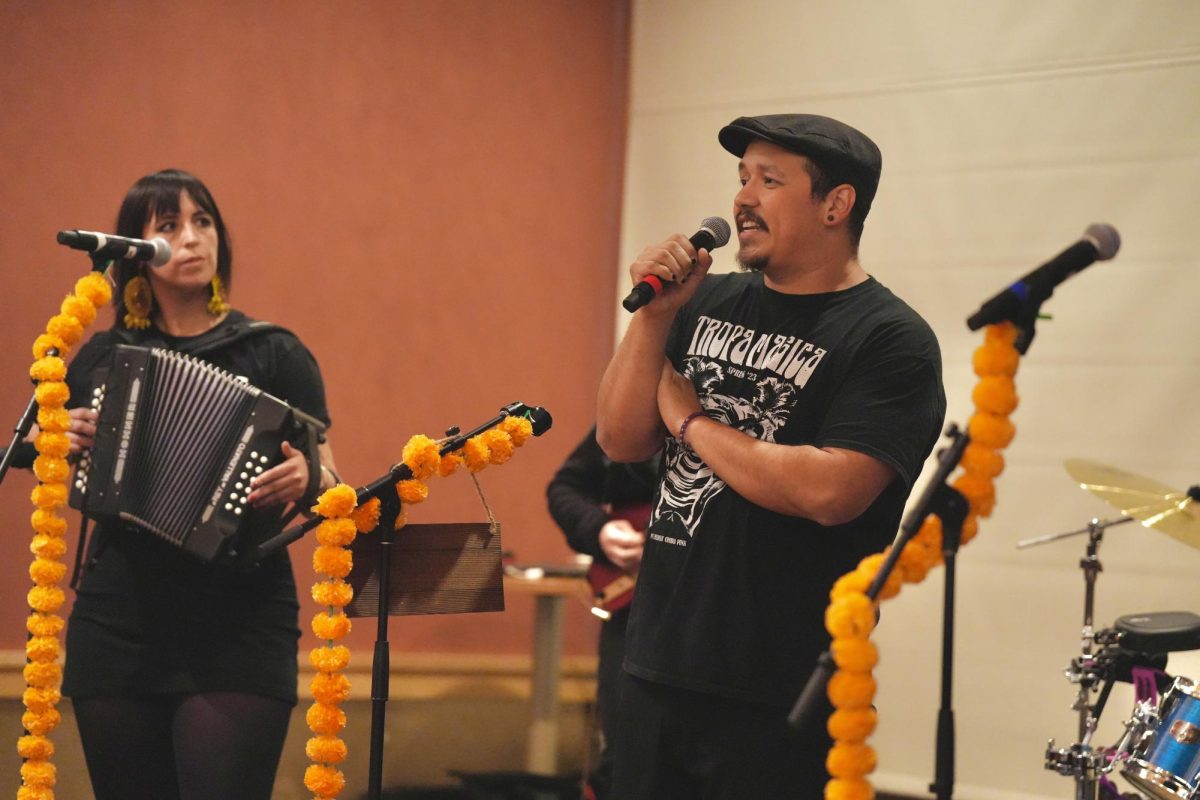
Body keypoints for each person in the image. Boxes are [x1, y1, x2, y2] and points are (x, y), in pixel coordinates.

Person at [595, 113, 947, 798]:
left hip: (781, 691)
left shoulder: (888, 339)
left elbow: (830, 490)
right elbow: (619, 438)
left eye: (769, 180)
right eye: (741, 179)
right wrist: (656, 317)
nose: (742, 199)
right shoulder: (704, 301)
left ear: (835, 205)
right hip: (655, 665)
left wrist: (691, 419)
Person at [23, 169, 340, 800]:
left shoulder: (276, 354)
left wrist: (308, 476)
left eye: (203, 222)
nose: (192, 239)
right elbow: (53, 467)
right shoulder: (98, 358)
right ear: (137, 252)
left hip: (239, 622)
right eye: (169, 226)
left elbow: (333, 481)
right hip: (119, 620)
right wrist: (55, 444)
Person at [545, 426, 659, 800]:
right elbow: (565, 488)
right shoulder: (643, 407)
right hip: (634, 611)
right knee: (625, 751)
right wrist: (601, 529)